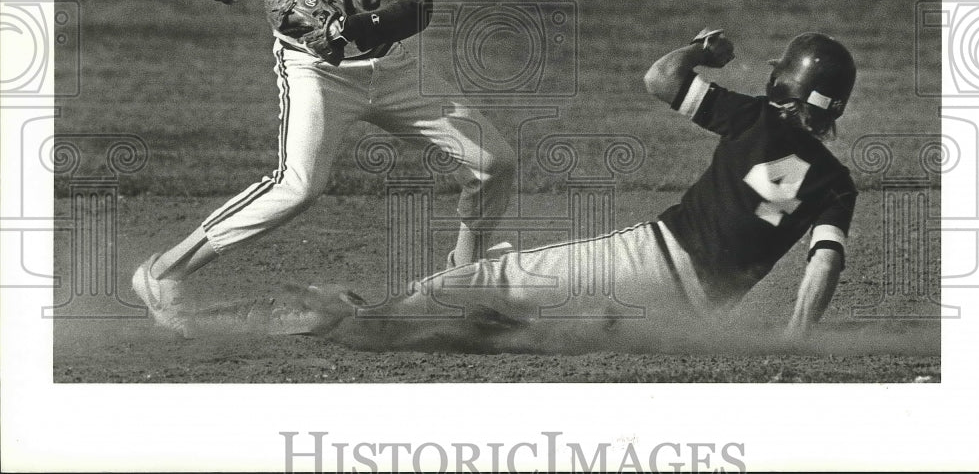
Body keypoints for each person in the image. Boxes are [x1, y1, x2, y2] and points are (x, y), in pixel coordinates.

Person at [133, 0, 515, 334]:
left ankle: (462, 280)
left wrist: (355, 27)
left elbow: (419, 5)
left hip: (394, 69)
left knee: (492, 162)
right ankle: (163, 272)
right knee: (299, 185)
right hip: (314, 71)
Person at [290, 27, 858, 344]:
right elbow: (823, 264)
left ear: (785, 81)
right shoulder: (836, 184)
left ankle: (363, 323)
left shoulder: (755, 118)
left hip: (645, 261)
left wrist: (699, 51)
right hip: (693, 318)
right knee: (526, 329)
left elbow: (661, 79)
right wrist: (794, 339)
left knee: (492, 277)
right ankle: (412, 325)